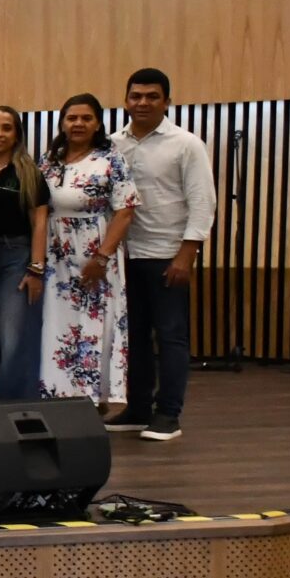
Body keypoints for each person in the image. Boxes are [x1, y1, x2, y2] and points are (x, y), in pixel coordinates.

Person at [108, 68, 215, 441]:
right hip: (124, 256)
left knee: (170, 335)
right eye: (136, 96)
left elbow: (203, 202)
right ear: (125, 100)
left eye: (152, 96)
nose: (142, 103)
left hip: (167, 253)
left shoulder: (186, 144)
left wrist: (186, 254)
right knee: (133, 336)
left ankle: (168, 413)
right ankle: (138, 408)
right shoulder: (112, 144)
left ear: (167, 101)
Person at [36, 93, 139, 407]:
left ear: (97, 124)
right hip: (57, 253)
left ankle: (95, 397)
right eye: (72, 118)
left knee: (95, 323)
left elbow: (125, 210)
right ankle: (60, 394)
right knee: (57, 322)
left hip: (96, 251)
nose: (78, 123)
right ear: (62, 122)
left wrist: (102, 256)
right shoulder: (48, 161)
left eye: (86, 118)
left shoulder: (111, 159)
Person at [0, 106, 46, 402]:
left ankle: (12, 409)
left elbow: (40, 222)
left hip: (16, 257)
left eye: (6, 128)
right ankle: (1, 402)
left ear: (16, 135)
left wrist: (36, 268)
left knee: (14, 340)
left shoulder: (27, 172)